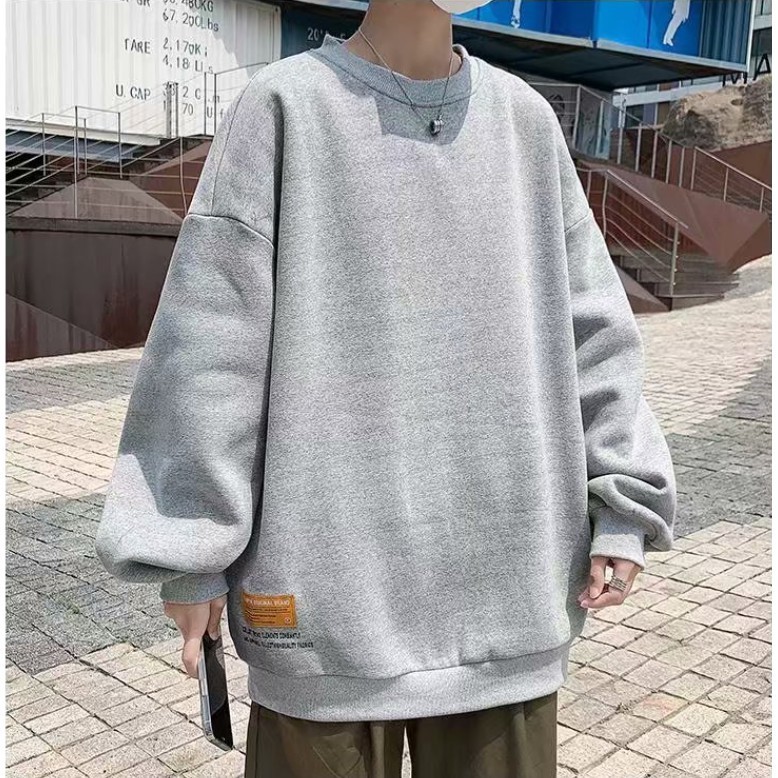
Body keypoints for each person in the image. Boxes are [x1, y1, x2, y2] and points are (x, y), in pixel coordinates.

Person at [94, 1, 677, 775]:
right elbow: (209, 346)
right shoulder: (284, 107)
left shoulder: (525, 122)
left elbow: (595, 333)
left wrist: (624, 509)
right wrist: (191, 549)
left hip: (507, 603)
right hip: (322, 607)